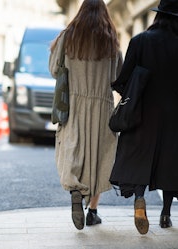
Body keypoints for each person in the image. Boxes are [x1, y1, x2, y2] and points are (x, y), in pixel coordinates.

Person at [109, 0, 178, 235]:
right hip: (176, 117)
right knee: (171, 165)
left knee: (140, 159)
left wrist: (135, 96)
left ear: (158, 15)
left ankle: (140, 199)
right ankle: (166, 215)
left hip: (143, 113)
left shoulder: (139, 41)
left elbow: (123, 80)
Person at [49, 0, 122, 230]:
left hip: (72, 103)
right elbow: (117, 77)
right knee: (99, 156)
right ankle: (92, 210)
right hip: (102, 106)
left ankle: (75, 192)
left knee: (72, 148)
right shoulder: (110, 40)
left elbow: (54, 69)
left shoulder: (67, 37)